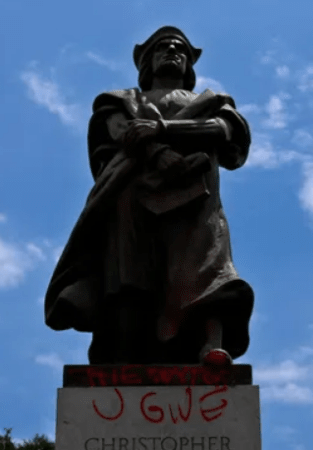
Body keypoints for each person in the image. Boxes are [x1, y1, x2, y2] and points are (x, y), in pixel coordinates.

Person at [44, 26, 255, 366]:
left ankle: (210, 346)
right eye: (162, 48)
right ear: (147, 62)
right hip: (133, 197)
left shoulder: (212, 102)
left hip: (197, 199)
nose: (173, 51)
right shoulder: (121, 101)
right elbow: (121, 133)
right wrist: (159, 155)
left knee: (206, 267)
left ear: (189, 63)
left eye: (180, 49)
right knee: (130, 276)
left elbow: (225, 131)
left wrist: (162, 129)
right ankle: (123, 351)